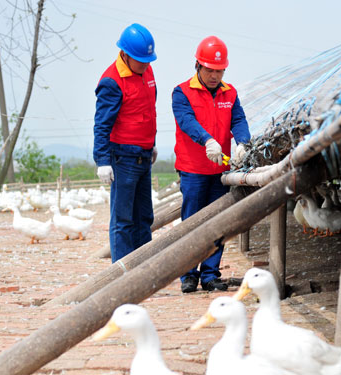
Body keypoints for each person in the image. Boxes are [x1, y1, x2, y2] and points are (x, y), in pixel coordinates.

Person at [172, 35, 251, 293]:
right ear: (198, 65)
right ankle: (188, 275)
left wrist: (242, 142)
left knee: (218, 222)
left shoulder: (230, 93)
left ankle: (210, 274)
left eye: (220, 70)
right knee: (192, 221)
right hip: (193, 170)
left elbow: (238, 120)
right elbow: (186, 122)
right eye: (210, 70)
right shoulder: (182, 92)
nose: (215, 76)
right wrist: (207, 140)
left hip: (219, 170)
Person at [93, 23, 158, 263]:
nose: (145, 65)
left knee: (144, 218)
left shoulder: (147, 71)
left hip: (143, 156)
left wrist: (150, 143)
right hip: (123, 159)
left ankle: (144, 269)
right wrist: (102, 160)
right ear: (125, 54)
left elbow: (147, 109)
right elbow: (102, 124)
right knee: (123, 221)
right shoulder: (111, 82)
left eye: (148, 60)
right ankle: (122, 274)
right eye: (140, 60)